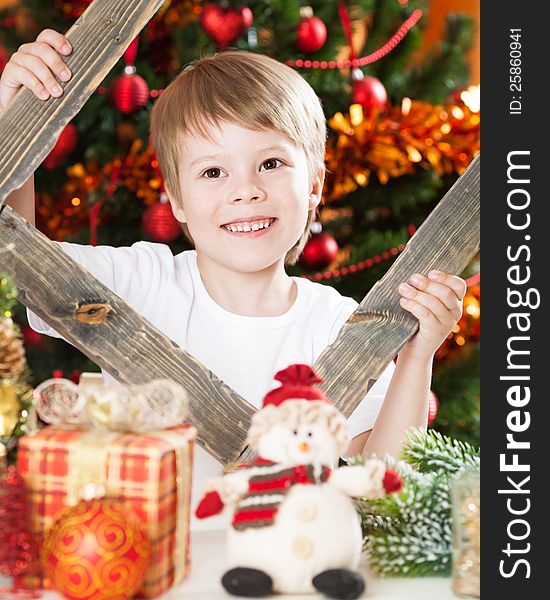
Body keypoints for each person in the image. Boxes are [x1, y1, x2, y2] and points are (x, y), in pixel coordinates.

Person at [1, 30, 467, 523]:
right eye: (213, 173)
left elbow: (383, 481)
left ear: (313, 186)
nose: (246, 191)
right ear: (176, 200)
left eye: (270, 163)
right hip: (146, 568)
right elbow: (17, 256)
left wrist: (418, 354)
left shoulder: (339, 326)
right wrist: (14, 119)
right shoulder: (138, 281)